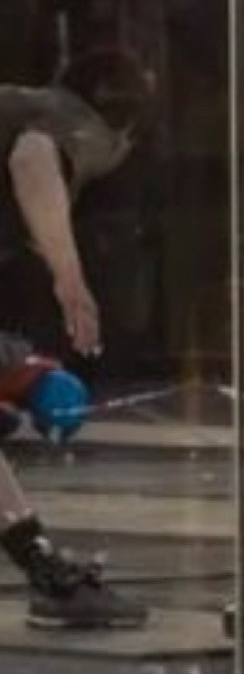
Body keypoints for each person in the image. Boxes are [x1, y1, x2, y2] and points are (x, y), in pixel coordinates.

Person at [0, 76, 147, 633]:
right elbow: (33, 157)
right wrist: (69, 277)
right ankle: (48, 574)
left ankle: (45, 571)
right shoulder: (75, 121)